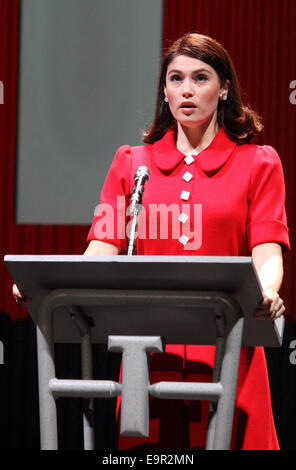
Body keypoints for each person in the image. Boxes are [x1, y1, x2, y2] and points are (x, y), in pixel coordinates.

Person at [13, 32, 290, 450]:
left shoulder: (258, 162)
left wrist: (268, 291)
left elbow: (267, 250)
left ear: (225, 88)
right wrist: (48, 285)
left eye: (201, 78)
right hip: (149, 356)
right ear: (164, 89)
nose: (187, 90)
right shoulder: (132, 163)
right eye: (176, 79)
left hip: (231, 351)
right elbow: (101, 249)